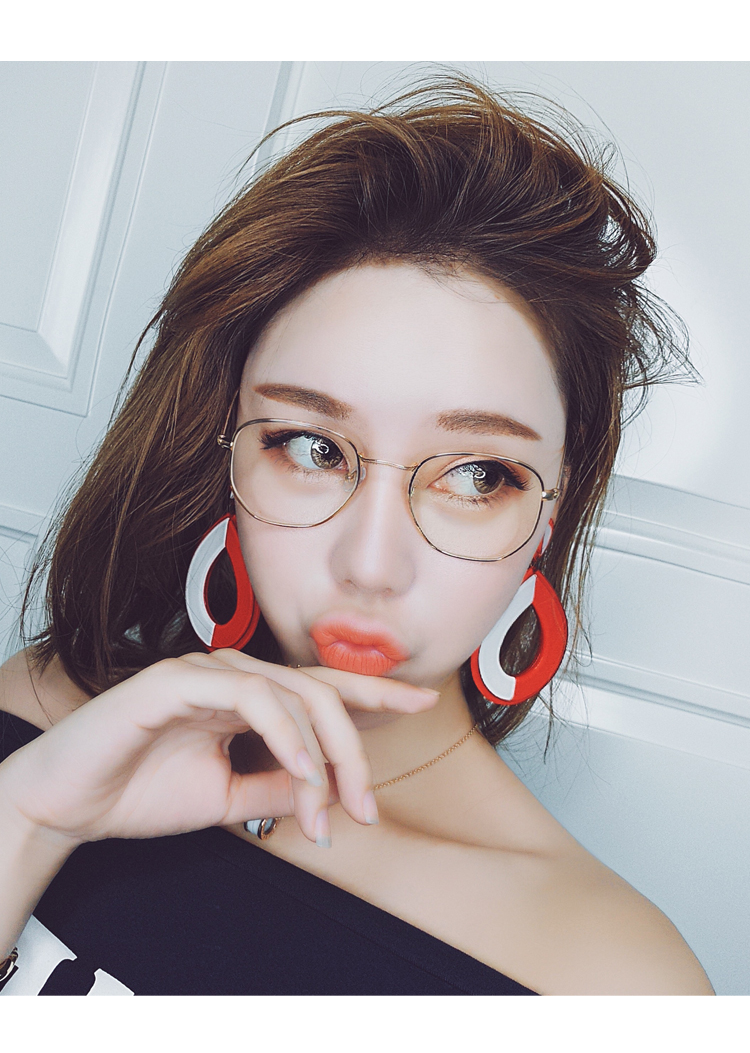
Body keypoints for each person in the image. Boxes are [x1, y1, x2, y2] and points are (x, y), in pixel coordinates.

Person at [0, 76, 714, 996]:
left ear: (548, 511)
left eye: (477, 474)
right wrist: (28, 819)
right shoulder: (48, 706)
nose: (370, 565)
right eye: (312, 448)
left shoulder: (610, 978)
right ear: (227, 451)